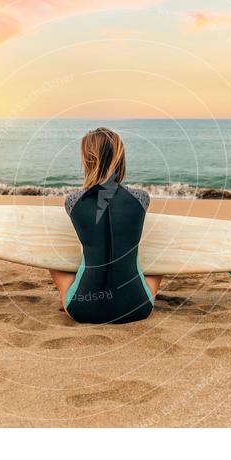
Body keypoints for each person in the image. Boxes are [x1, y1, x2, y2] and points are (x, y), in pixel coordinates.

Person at [48, 127, 162, 324]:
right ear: (120, 159)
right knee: (156, 266)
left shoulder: (72, 202)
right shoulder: (142, 198)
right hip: (137, 308)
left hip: (83, 309)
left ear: (87, 160)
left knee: (53, 264)